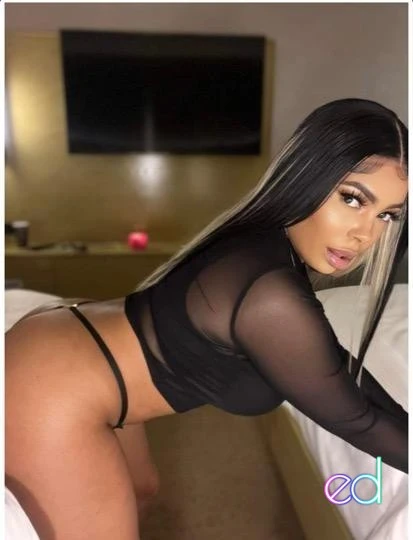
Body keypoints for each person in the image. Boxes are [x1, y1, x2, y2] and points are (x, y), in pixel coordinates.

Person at [6, 98, 408, 540]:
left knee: (141, 490)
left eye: (387, 215)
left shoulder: (267, 243)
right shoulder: (269, 294)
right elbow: (356, 419)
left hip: (71, 340)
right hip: (55, 381)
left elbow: (339, 369)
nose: (366, 234)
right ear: (308, 175)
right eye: (353, 199)